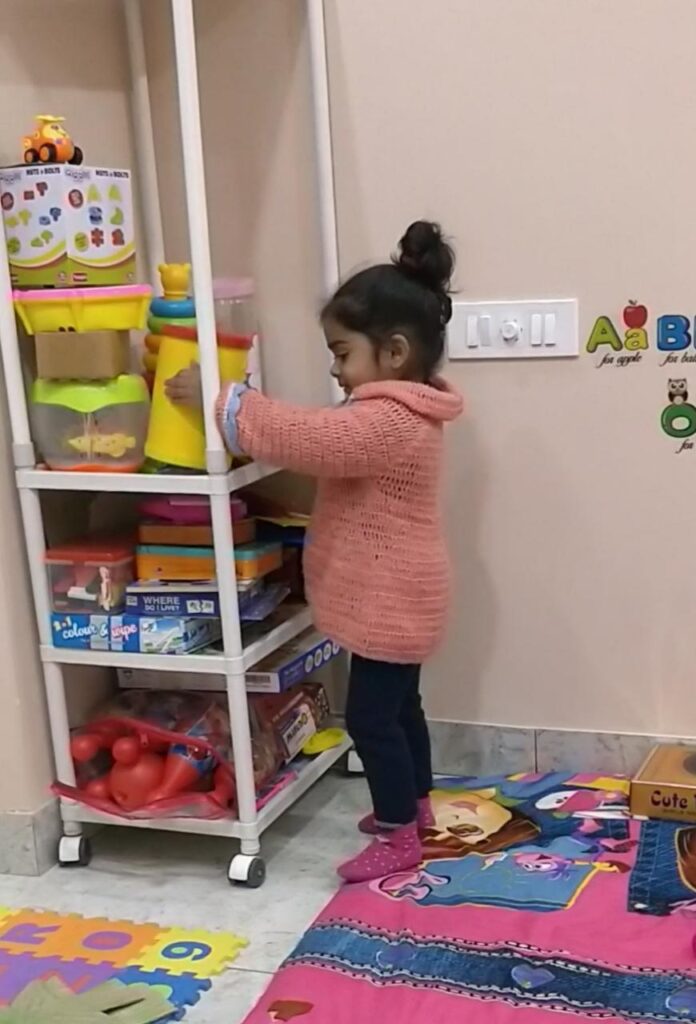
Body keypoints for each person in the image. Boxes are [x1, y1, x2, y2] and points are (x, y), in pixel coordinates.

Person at [165, 220, 463, 883]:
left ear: (392, 352)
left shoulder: (386, 419)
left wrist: (228, 401)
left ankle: (397, 834)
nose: (334, 368)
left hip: (394, 598)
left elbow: (310, 439)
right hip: (405, 593)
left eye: (340, 353)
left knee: (371, 717)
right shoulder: (409, 410)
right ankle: (414, 806)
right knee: (399, 708)